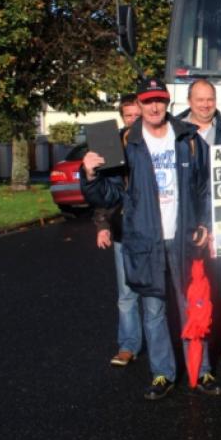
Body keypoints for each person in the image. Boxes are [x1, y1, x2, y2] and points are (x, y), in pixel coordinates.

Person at [81, 78, 221, 400]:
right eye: (148, 101)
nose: (154, 106)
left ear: (168, 101)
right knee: (154, 312)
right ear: (140, 105)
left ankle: (201, 371)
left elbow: (204, 188)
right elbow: (109, 193)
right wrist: (88, 175)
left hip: (184, 239)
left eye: (159, 100)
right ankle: (162, 374)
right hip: (145, 241)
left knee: (192, 307)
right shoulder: (126, 142)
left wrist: (204, 223)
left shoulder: (189, 139)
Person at [175, 79, 221, 361]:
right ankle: (193, 339)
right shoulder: (176, 131)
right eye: (200, 99)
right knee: (190, 283)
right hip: (186, 220)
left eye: (210, 99)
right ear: (189, 101)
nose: (205, 105)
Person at [94, 94, 141, 367]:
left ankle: (163, 343)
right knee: (126, 293)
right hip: (123, 229)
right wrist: (102, 225)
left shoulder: (156, 141)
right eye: (129, 116)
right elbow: (104, 191)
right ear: (123, 117)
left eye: (138, 115)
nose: (133, 120)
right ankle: (128, 345)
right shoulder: (111, 145)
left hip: (153, 230)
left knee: (156, 293)